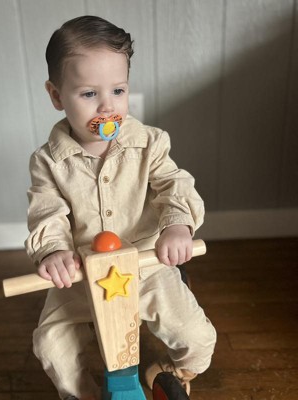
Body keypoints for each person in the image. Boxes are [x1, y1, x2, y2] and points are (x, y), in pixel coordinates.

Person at [25, 15, 216, 400]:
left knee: (199, 338)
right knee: (50, 346)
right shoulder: (48, 161)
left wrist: (177, 225)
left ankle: (172, 369)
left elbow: (172, 184)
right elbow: (47, 211)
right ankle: (83, 393)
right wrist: (54, 251)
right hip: (81, 274)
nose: (107, 106)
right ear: (57, 95)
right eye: (89, 94)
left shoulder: (149, 143)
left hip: (145, 263)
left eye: (118, 90)